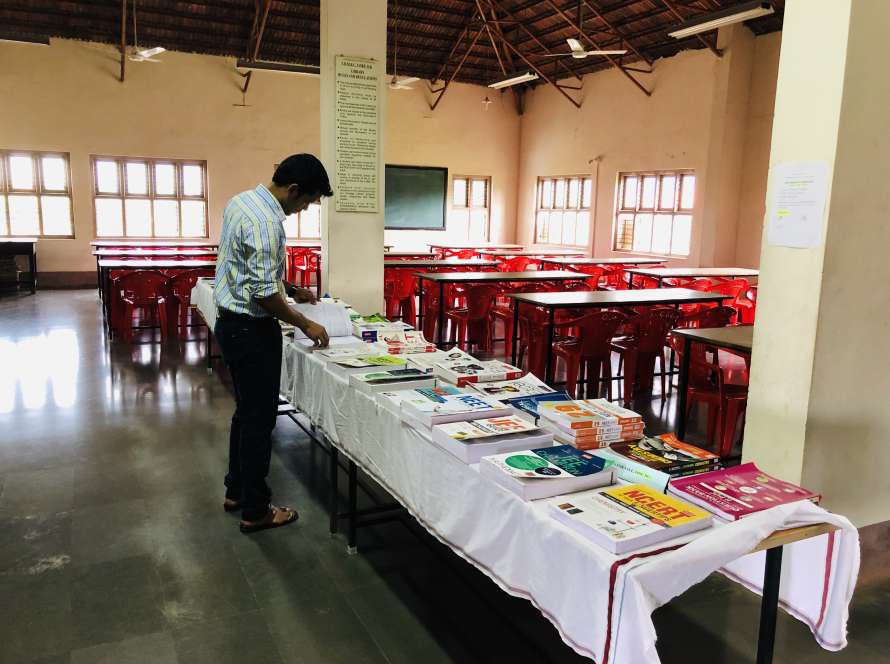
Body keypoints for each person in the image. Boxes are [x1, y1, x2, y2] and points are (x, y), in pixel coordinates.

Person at [214, 154, 333, 533]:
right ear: (293, 190)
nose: (304, 209)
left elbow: (247, 268)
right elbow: (263, 293)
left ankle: (236, 490)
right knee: (260, 421)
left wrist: (292, 290)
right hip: (251, 330)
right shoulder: (267, 222)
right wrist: (305, 322)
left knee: (246, 414)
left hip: (230, 324)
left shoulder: (242, 202)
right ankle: (256, 509)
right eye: (307, 202)